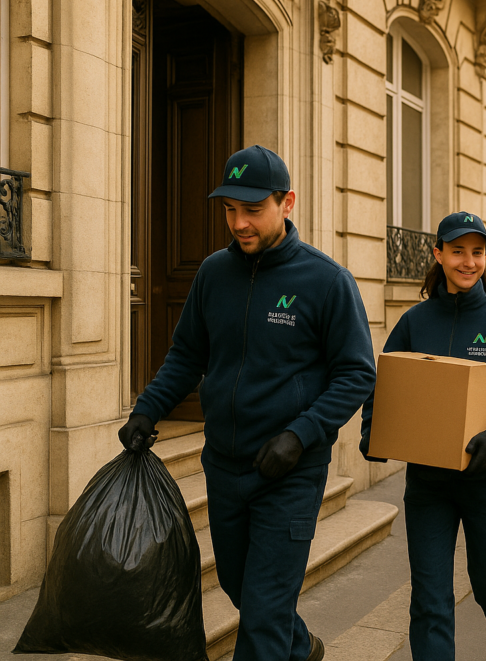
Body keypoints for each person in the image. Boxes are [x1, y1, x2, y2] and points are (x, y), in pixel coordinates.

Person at [117, 145, 376, 661]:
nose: (238, 222)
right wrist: (147, 408)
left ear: (288, 203)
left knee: (261, 616)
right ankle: (299, 647)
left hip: (291, 472)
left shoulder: (325, 281)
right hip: (225, 465)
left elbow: (357, 374)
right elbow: (188, 353)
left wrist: (300, 434)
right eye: (229, 209)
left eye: (252, 209)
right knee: (241, 587)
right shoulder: (214, 274)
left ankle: (280, 643)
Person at [359, 212, 486, 661]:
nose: (468, 261)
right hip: (429, 484)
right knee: (430, 596)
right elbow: (387, 384)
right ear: (438, 254)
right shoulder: (414, 322)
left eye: (477, 252)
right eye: (458, 251)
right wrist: (374, 433)